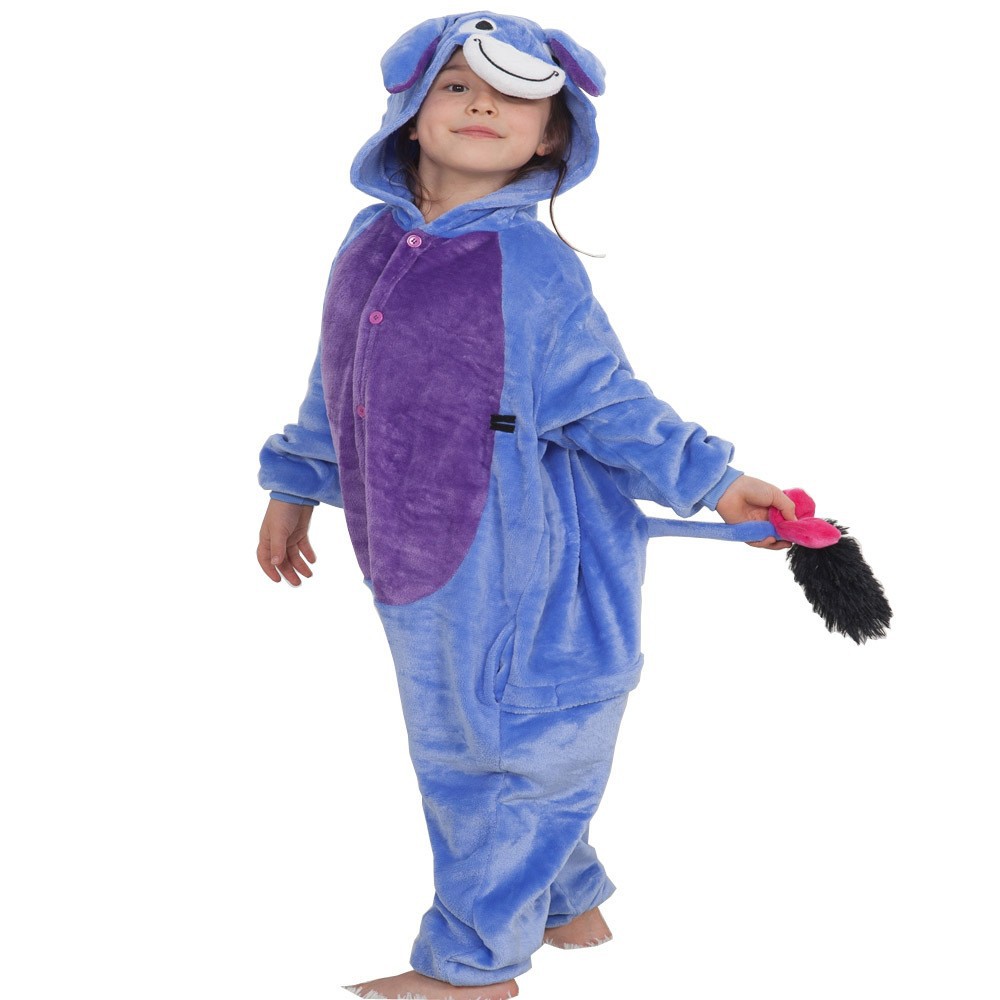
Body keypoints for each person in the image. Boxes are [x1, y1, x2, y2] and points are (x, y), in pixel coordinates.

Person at [256, 12, 796, 1000]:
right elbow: (339, 372)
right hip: (414, 551)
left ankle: (472, 968)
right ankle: (565, 900)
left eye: (512, 96)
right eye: (458, 86)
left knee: (492, 756)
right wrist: (297, 483)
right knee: (491, 736)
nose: (481, 106)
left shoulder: (532, 266)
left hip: (520, 558)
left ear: (551, 137)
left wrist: (714, 481)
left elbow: (606, 399)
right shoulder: (371, 240)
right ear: (410, 112)